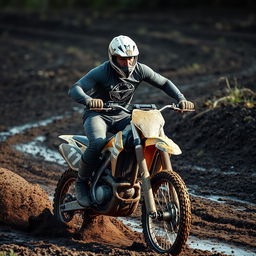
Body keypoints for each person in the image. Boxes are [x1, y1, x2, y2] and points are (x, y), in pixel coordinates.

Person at [68, 35, 194, 207]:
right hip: (98, 115)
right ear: (113, 57)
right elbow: (75, 88)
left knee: (142, 136)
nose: (127, 63)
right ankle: (81, 183)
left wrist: (181, 99)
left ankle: (128, 175)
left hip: (123, 115)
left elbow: (164, 82)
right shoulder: (102, 71)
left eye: (131, 58)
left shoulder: (140, 70)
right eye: (122, 59)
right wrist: (89, 101)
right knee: (97, 143)